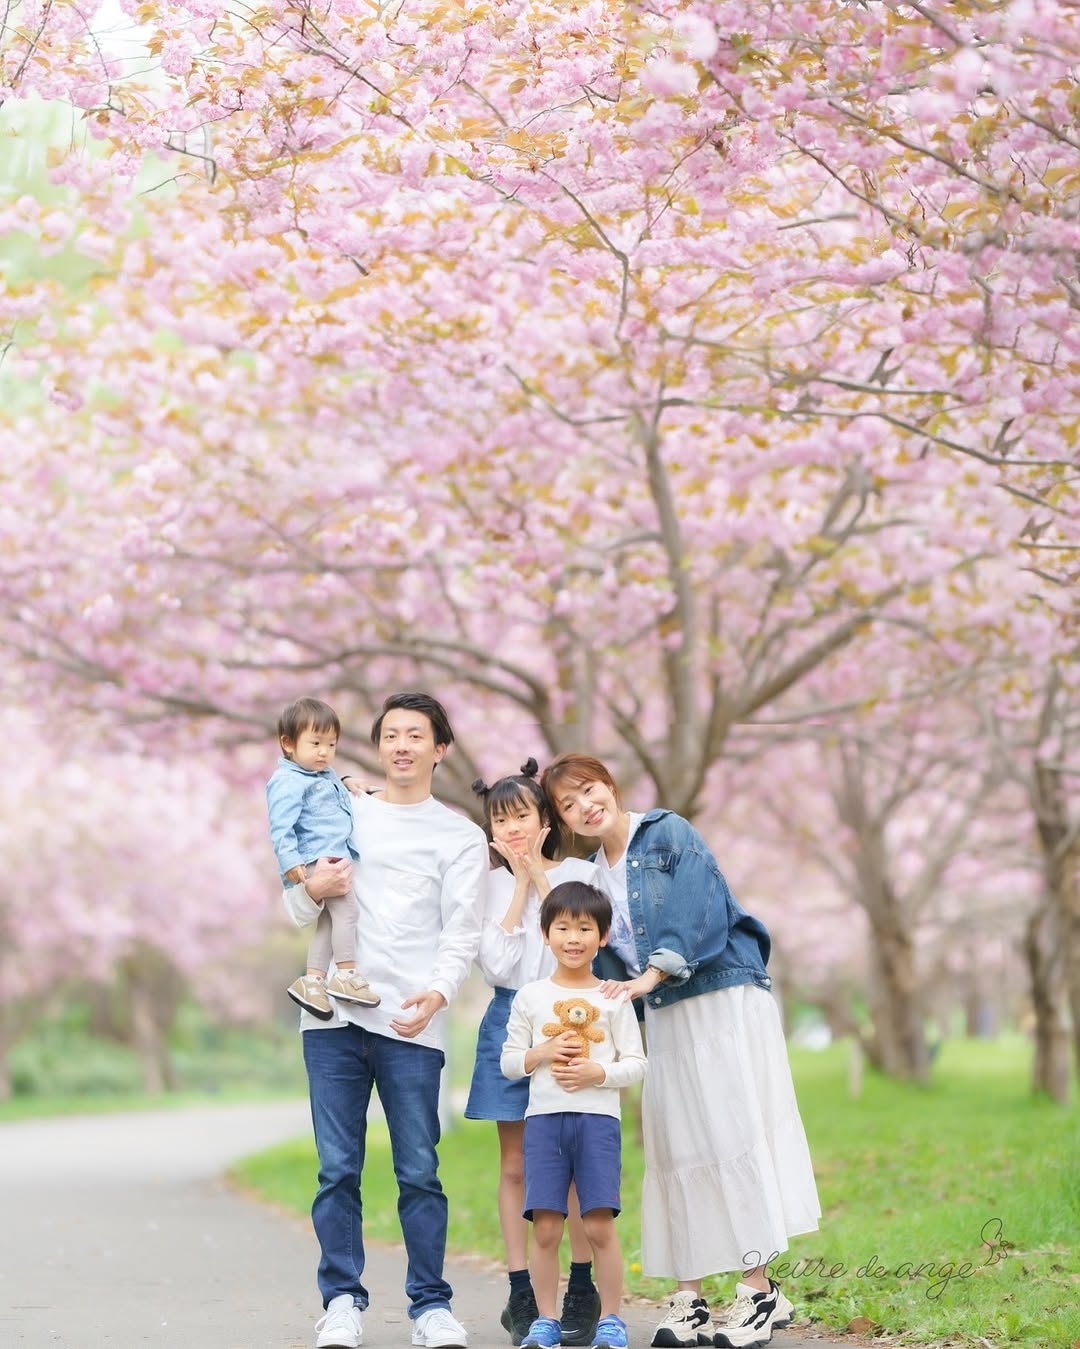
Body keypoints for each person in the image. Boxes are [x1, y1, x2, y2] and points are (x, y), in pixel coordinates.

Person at [541, 755, 821, 1349]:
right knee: (675, 1144)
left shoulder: (666, 832)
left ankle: (758, 1292)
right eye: (569, 804)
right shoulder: (591, 878)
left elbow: (696, 910)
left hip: (719, 997)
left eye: (589, 790)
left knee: (732, 1133)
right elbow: (590, 952)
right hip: (665, 1016)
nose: (585, 806)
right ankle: (691, 1297)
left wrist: (652, 973)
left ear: (609, 786)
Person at [284, 692, 490, 1349]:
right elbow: (295, 907)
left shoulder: (458, 835)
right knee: (337, 1167)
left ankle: (431, 1305)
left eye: (415, 734)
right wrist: (309, 890)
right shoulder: (344, 812)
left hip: (410, 1020)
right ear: (378, 746)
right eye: (391, 734)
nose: (401, 745)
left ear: (440, 748)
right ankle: (341, 1300)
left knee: (418, 1169)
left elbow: (462, 930)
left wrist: (438, 993)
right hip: (332, 1022)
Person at [466, 760, 603, 1347]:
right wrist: (517, 882)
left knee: (570, 1163)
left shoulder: (579, 871)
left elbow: (579, 944)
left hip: (567, 1015)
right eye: (501, 819)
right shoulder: (486, 883)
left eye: (522, 814)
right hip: (508, 1017)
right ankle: (521, 1290)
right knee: (517, 1164)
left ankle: (580, 1285)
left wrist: (542, 880)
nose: (513, 827)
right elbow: (496, 965)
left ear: (545, 818)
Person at [501, 881, 647, 1349]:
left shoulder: (613, 997)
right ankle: (545, 1319)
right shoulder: (530, 997)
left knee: (598, 1224)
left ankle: (611, 1320)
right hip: (544, 1123)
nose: (573, 937)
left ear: (602, 937)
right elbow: (507, 1063)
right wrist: (541, 1051)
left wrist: (596, 1072)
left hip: (598, 1123)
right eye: (562, 926)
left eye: (585, 928)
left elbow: (637, 1064)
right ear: (545, 934)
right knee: (545, 1226)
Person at [267, 696, 380, 1019]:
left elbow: (326, 791)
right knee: (348, 913)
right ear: (288, 744)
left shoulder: (321, 773)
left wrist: (345, 782)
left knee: (329, 922)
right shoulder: (287, 782)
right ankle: (345, 975)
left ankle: (313, 981)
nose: (324, 753)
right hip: (320, 859)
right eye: (315, 743)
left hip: (331, 854)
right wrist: (290, 863)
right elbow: (281, 827)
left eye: (330, 745)